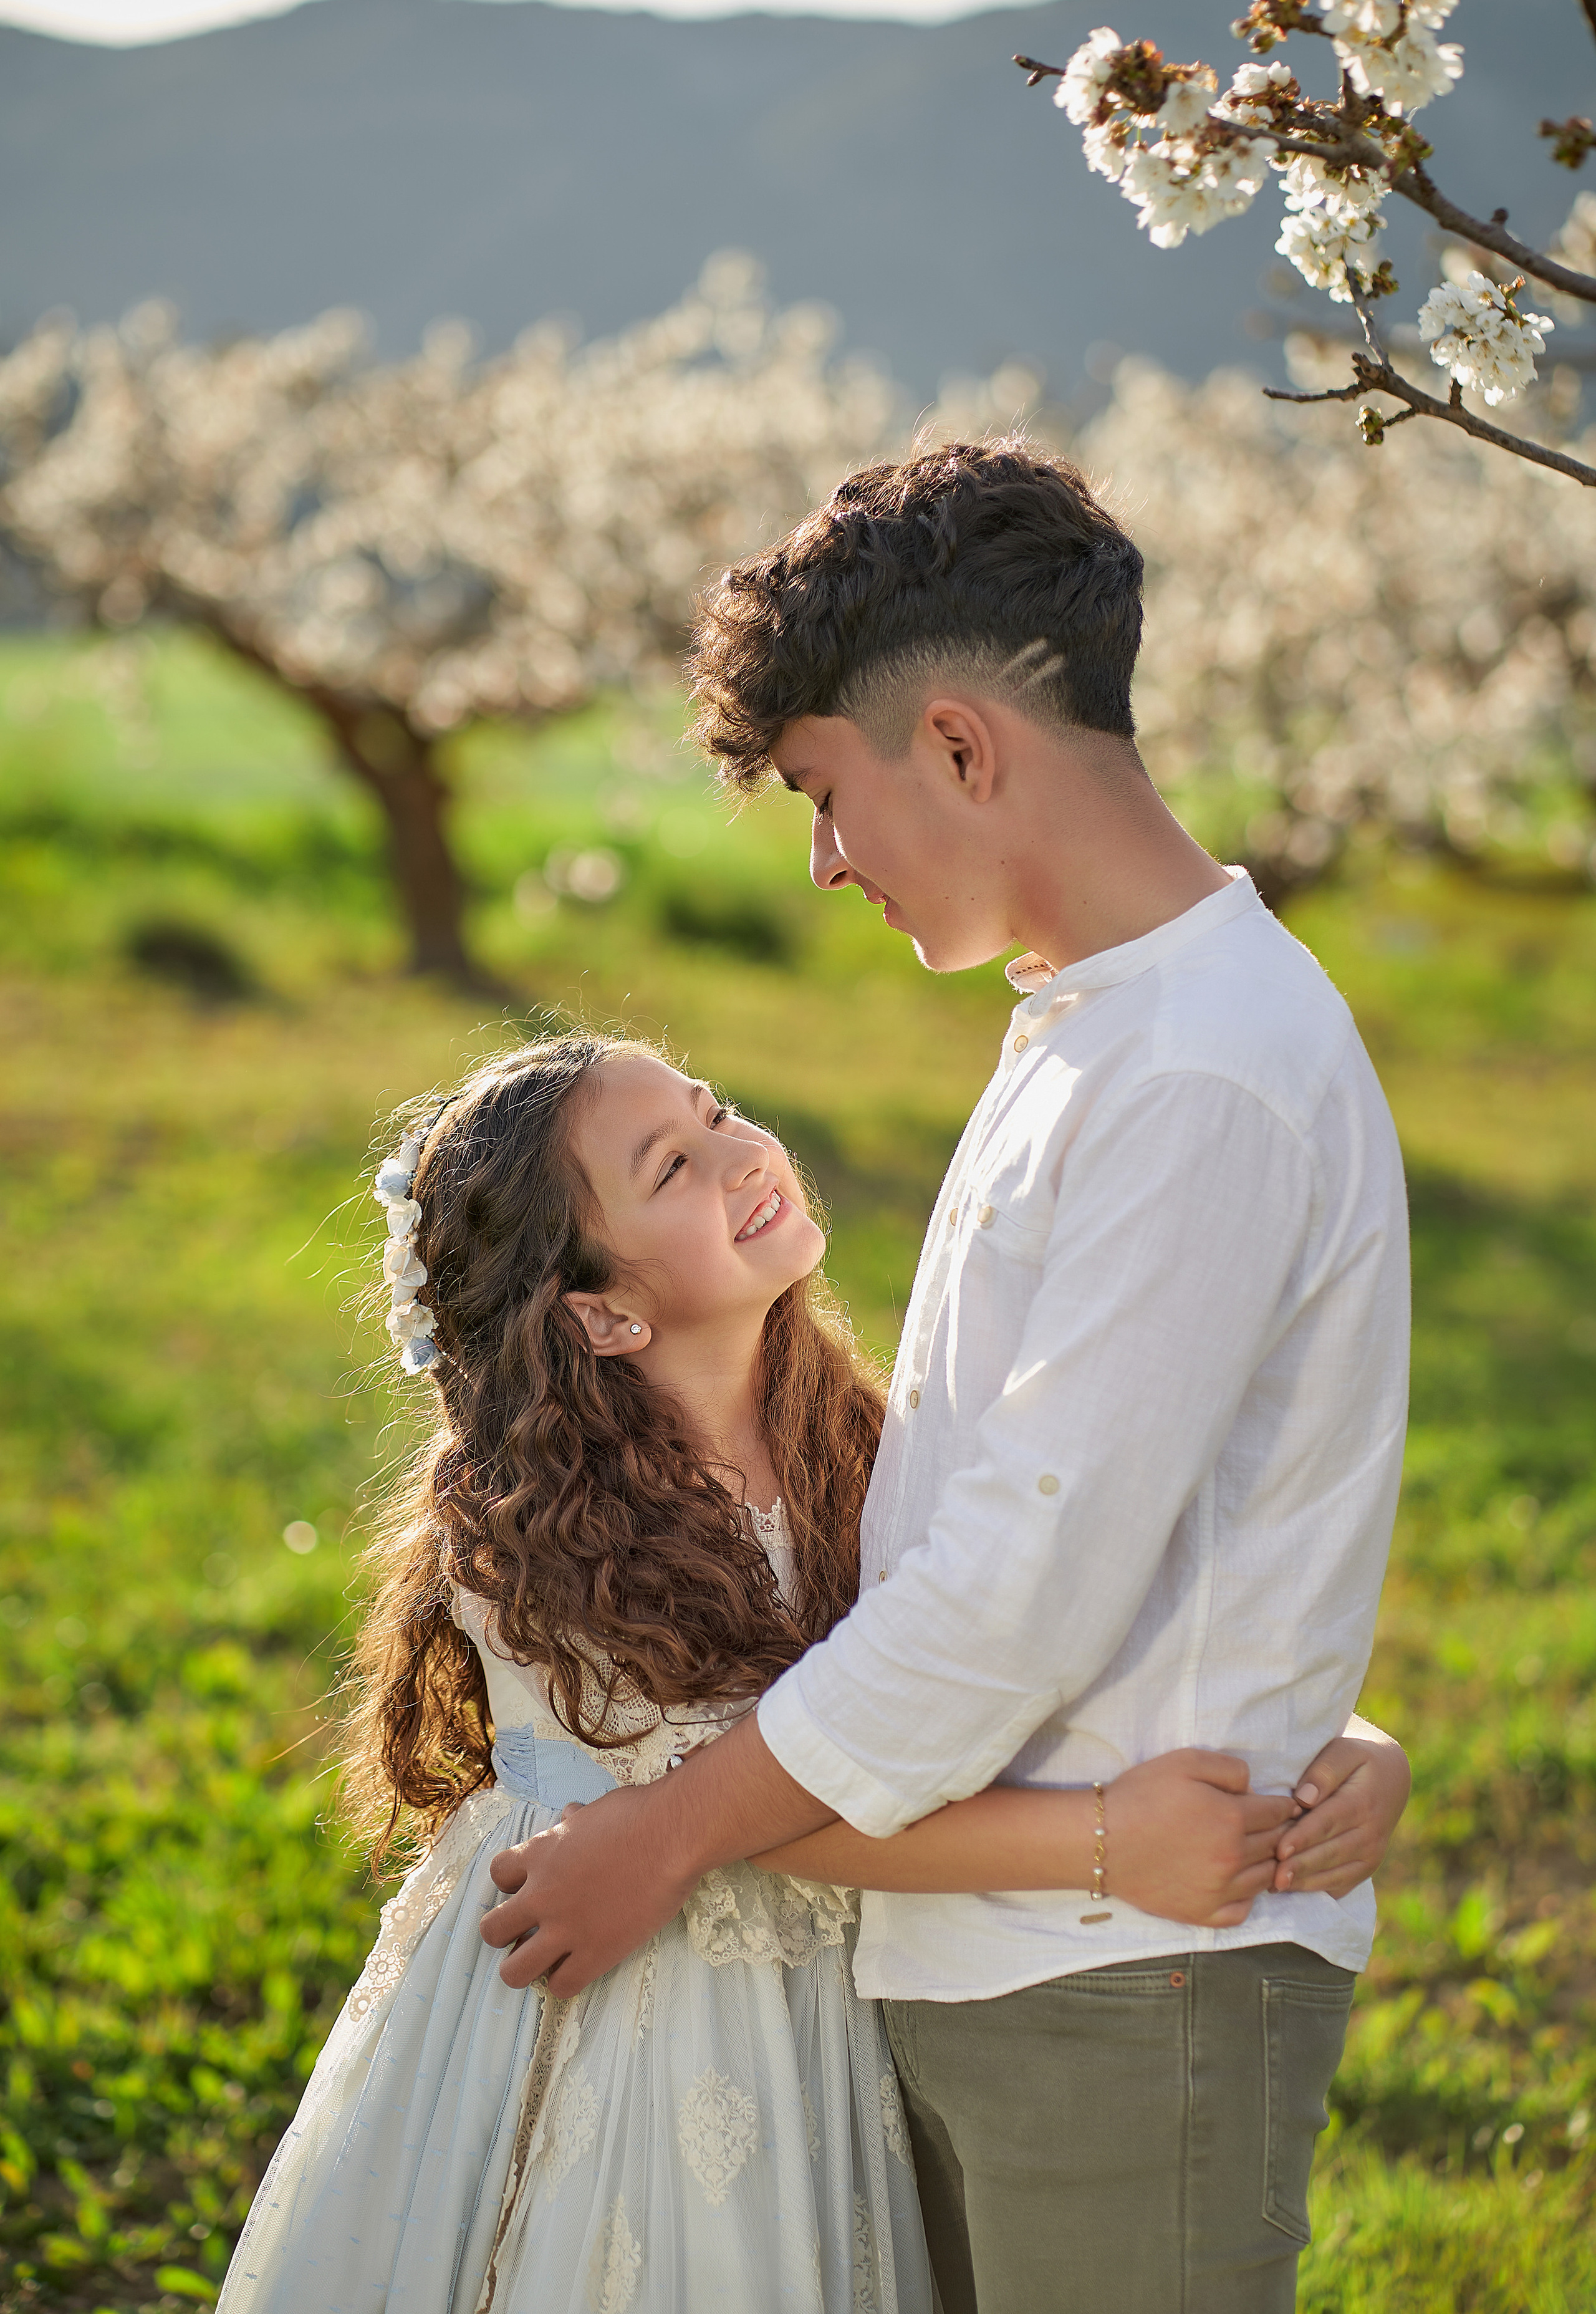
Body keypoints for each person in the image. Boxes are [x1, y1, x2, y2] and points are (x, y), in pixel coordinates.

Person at [478, 441, 1415, 2314]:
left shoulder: (1194, 1070)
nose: (827, 861)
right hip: (1017, 1948)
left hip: (1125, 1978)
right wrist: (1311, 1696)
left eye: (829, 793)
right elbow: (1103, 1489)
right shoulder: (1095, 1027)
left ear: (967, 750)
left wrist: (667, 1836)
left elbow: (1015, 1595)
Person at [219, 1033, 1408, 2314]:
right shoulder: (539, 1521)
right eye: (673, 1164)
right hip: (625, 2004)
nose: (739, 1154)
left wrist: (1331, 1740)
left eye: (715, 1109)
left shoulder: (856, 1439)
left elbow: (1008, 1645)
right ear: (603, 1313)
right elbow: (757, 1813)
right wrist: (1109, 1842)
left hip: (826, 2015)